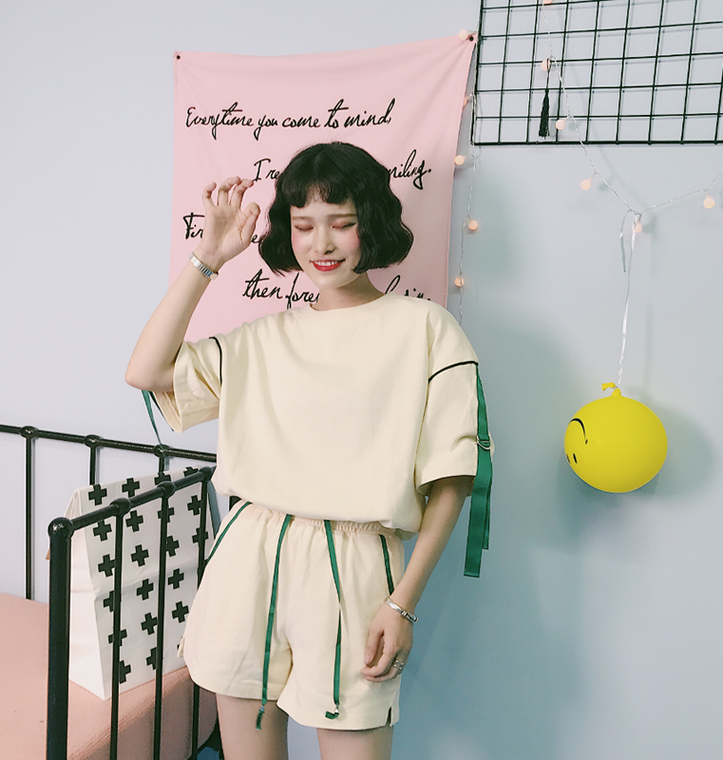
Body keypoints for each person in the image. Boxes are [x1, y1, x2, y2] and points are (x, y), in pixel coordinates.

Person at [126, 141, 490, 760]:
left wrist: (403, 603)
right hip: (248, 556)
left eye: (341, 223)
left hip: (355, 565)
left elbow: (453, 479)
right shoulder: (262, 339)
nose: (321, 243)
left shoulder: (427, 329)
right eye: (303, 226)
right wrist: (208, 258)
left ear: (370, 223)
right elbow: (146, 370)